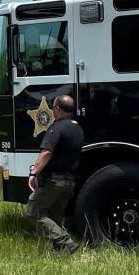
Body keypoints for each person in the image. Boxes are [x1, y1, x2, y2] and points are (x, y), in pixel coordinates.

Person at [25, 94, 84, 254]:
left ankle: (65, 243)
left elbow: (46, 152)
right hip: (69, 181)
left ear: (57, 108)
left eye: (53, 106)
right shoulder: (77, 128)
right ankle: (61, 252)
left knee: (34, 211)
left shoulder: (57, 127)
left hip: (53, 180)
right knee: (54, 217)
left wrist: (34, 172)